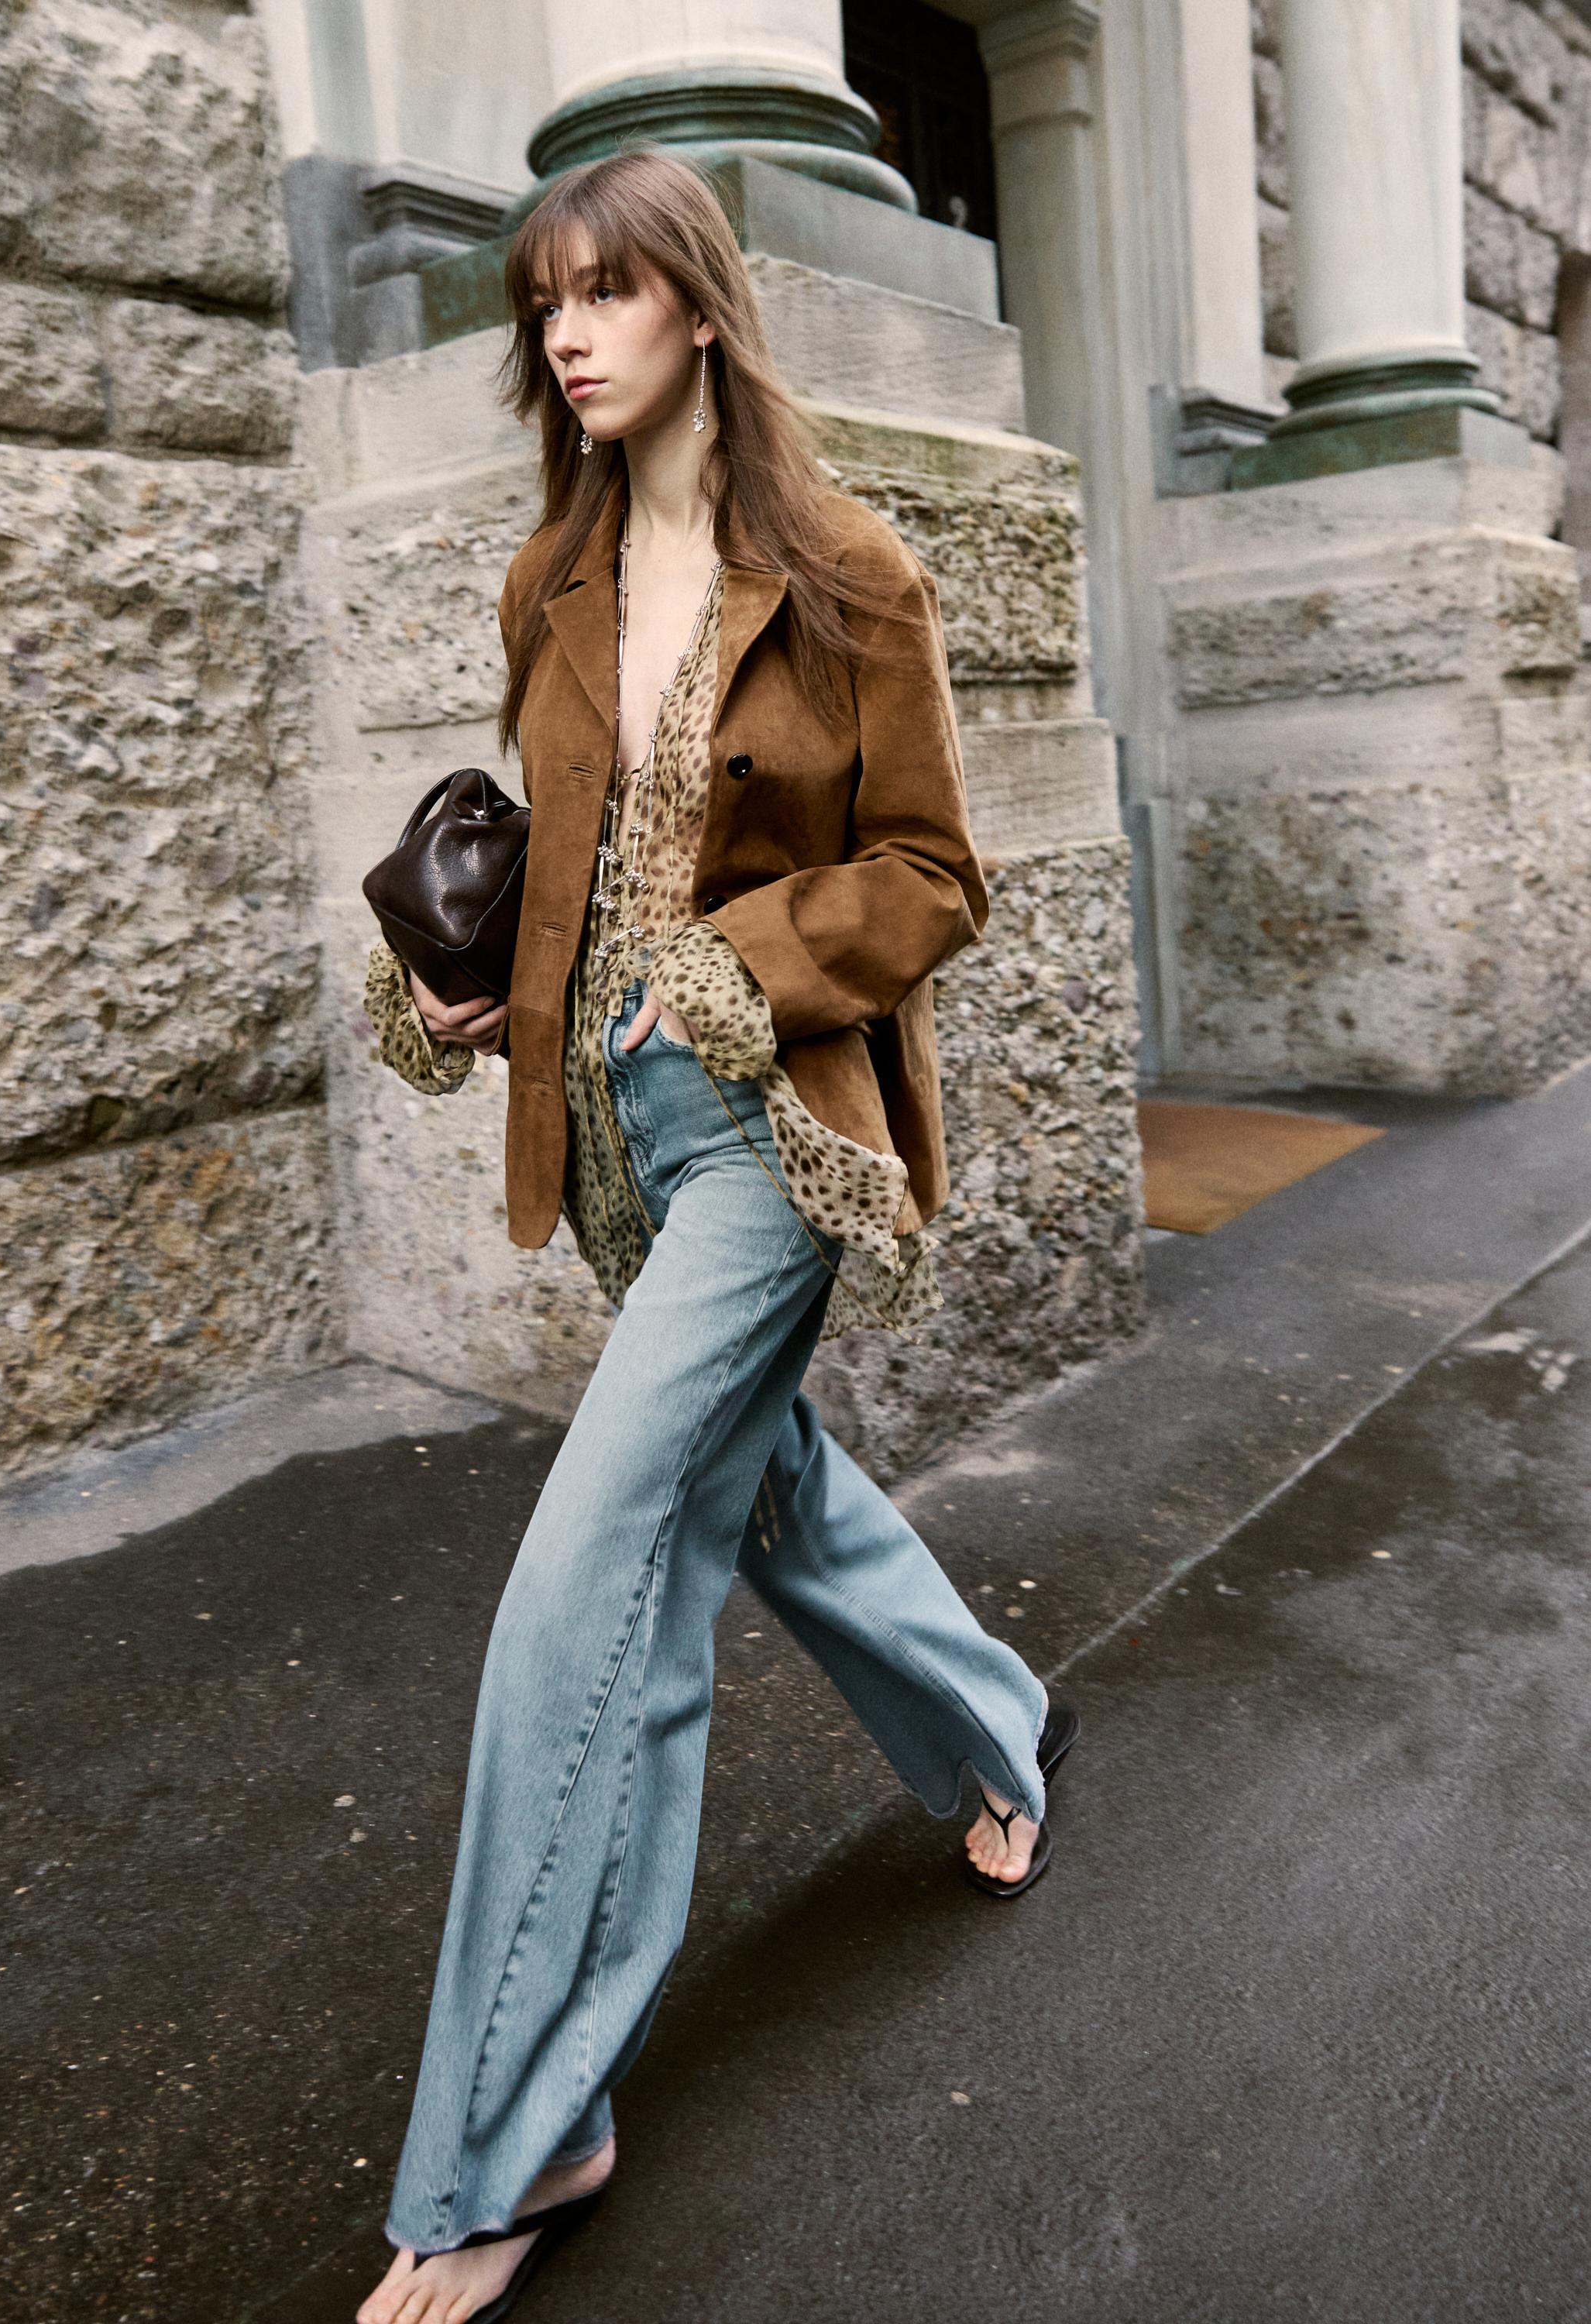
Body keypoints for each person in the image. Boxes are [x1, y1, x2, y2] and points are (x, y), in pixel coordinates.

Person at [356, 146, 1078, 2324]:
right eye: (541, 305)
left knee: (596, 1581)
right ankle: (996, 1731)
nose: (565, 334)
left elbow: (936, 875)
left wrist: (752, 962)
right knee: (772, 1499)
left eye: (602, 295)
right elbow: (545, 861)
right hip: (600, 1137)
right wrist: (456, 989)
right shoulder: (548, 583)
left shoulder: (851, 573)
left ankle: (516, 2126)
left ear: (695, 308)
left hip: (769, 1133)